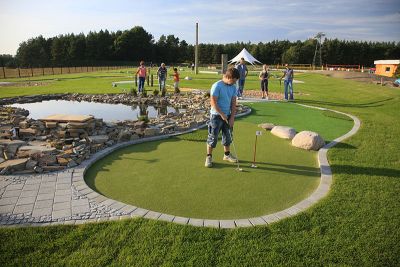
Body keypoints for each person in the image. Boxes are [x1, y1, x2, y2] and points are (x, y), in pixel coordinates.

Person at [205, 67, 240, 168]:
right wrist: (221, 114)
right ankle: (209, 157)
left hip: (228, 116)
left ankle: (227, 155)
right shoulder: (217, 86)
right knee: (213, 137)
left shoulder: (233, 87)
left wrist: (232, 117)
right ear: (228, 77)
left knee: (228, 136)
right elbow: (213, 103)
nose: (234, 83)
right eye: (233, 80)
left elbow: (233, 103)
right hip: (216, 116)